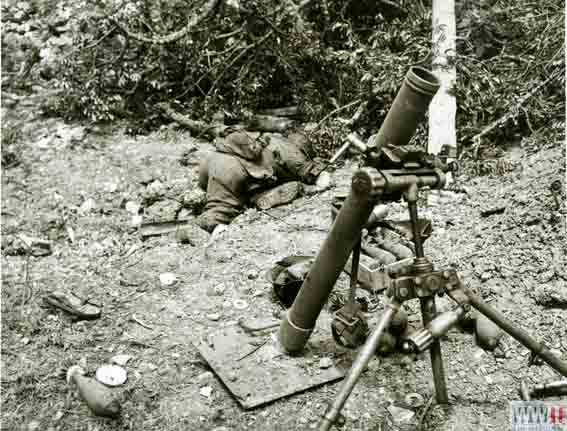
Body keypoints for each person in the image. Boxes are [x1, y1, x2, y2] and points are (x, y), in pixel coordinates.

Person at [196, 130, 325, 232]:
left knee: (221, 205)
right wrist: (315, 180)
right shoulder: (290, 150)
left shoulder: (269, 140)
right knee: (229, 199)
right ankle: (253, 198)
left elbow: (202, 183)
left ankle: (218, 221)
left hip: (220, 170)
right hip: (245, 175)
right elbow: (314, 174)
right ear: (303, 149)